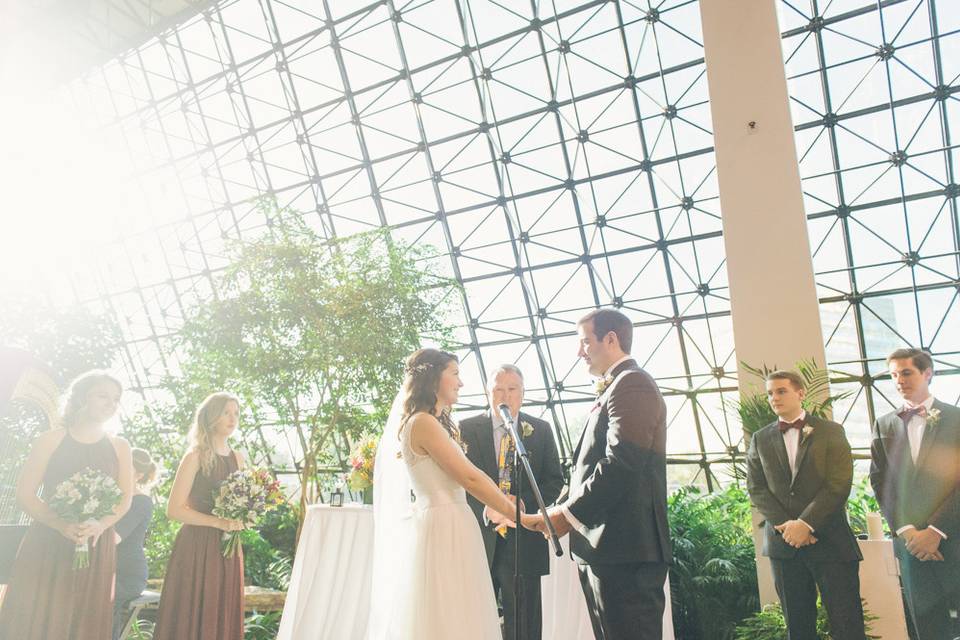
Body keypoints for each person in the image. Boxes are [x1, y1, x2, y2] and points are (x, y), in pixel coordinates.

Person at [527, 308, 671, 640]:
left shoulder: (633, 384)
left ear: (611, 339)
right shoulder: (616, 387)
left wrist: (568, 514)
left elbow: (621, 462)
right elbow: (587, 468)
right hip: (609, 549)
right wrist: (554, 509)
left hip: (626, 551)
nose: (579, 352)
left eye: (584, 342)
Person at [368, 348, 528, 640]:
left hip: (455, 522)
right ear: (433, 378)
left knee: (460, 610)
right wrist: (519, 515)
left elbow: (473, 477)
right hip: (443, 526)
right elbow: (470, 477)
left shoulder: (435, 423)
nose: (461, 383)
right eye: (455, 373)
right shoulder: (422, 423)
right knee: (447, 611)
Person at [0, 370, 133, 640]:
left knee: (84, 619)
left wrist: (100, 525)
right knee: (37, 617)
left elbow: (124, 499)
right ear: (82, 397)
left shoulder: (120, 446)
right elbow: (25, 494)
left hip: (96, 544)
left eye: (115, 399)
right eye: (103, 396)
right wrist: (60, 524)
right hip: (49, 542)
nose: (111, 404)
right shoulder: (51, 439)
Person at [746, 370, 865, 640]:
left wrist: (806, 523)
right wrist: (788, 527)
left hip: (830, 541)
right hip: (784, 546)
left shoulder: (831, 431)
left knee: (847, 624)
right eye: (770, 393)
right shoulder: (760, 438)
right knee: (798, 628)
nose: (774, 397)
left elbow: (839, 483)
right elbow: (756, 487)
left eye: (781, 391)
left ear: (800, 393)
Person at [460, 364, 564, 640]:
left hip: (523, 543)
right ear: (487, 392)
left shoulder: (540, 430)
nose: (505, 395)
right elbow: (456, 481)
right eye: (498, 389)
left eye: (512, 389)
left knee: (525, 626)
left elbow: (555, 480)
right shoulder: (465, 430)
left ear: (523, 393)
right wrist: (487, 506)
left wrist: (522, 505)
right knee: (474, 621)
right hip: (478, 538)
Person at [870, 348, 960, 640]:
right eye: (894, 375)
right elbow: (880, 481)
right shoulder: (884, 424)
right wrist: (908, 531)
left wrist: (936, 530)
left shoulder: (956, 418)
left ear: (928, 373)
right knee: (927, 625)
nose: (899, 380)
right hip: (912, 546)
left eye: (906, 372)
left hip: (954, 536)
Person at [152, 392, 246, 640]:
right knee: (192, 612)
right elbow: (174, 510)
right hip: (196, 547)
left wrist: (243, 517)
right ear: (210, 415)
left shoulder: (238, 458)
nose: (232, 418)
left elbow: (245, 502)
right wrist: (217, 522)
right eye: (226, 412)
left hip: (228, 547)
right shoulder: (195, 456)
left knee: (222, 608)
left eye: (236, 413)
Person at [112, 448, 158, 640]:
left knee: (104, 599)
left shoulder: (141, 502)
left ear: (138, 475)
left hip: (127, 574)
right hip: (105, 568)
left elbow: (114, 537)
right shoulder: (107, 496)